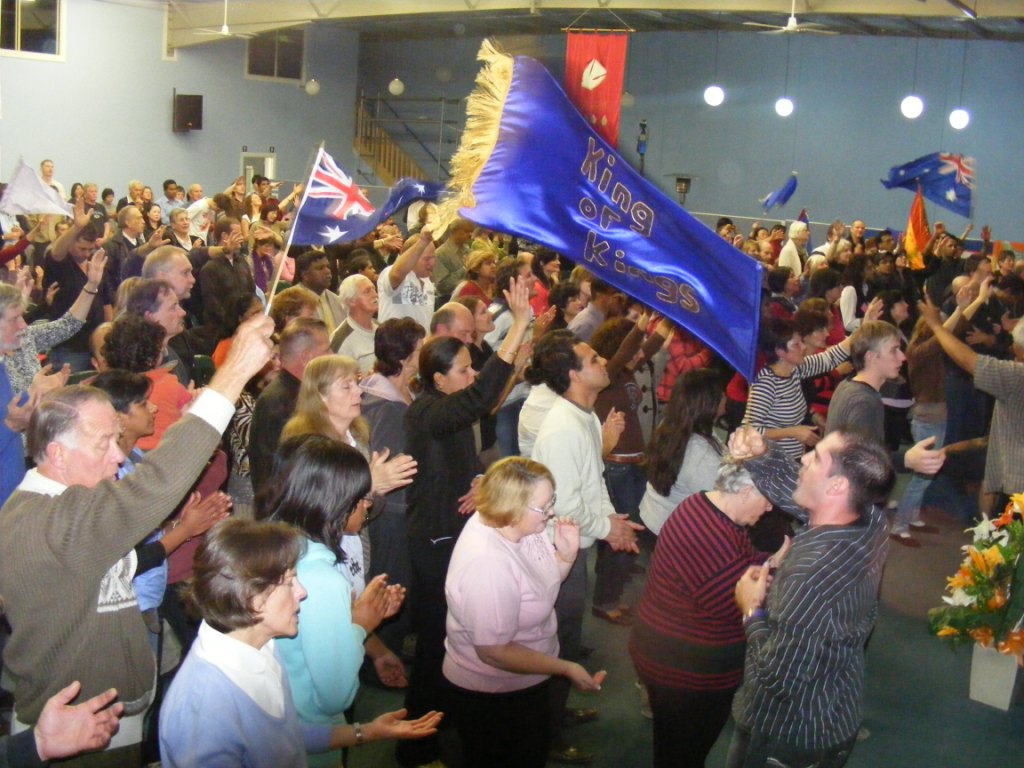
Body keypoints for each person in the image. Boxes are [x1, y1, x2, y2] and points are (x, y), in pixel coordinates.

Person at [0, 313, 277, 766]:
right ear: (57, 454)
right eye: (103, 443)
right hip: (76, 734)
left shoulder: (65, 510)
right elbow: (157, 482)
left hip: (102, 720)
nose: (118, 456)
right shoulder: (52, 521)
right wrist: (233, 374)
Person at [158, 518, 442, 768]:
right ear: (252, 598)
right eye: (290, 582)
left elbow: (284, 736)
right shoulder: (203, 709)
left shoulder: (263, 646)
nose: (302, 592)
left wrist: (368, 732)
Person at [395, 276, 531, 768]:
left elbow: (460, 454)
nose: (472, 376)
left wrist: (475, 480)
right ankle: (415, 747)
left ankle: (443, 724)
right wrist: (518, 326)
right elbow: (480, 399)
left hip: (447, 532)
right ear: (438, 380)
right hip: (434, 542)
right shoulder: (429, 413)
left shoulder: (442, 413)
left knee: (452, 637)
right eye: (465, 369)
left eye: (474, 367)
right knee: (437, 644)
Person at [725, 427, 895, 768]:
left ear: (837, 486)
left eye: (815, 458)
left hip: (787, 733)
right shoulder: (871, 521)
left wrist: (752, 610)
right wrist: (763, 454)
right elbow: (806, 491)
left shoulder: (808, 577)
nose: (802, 459)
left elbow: (778, 678)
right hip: (835, 706)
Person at [443, 457, 605, 768]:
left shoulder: (522, 526)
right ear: (512, 507)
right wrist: (565, 668)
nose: (552, 512)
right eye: (544, 507)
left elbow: (539, 589)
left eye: (552, 501)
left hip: (526, 677)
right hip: (494, 692)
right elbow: (494, 652)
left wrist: (566, 556)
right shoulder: (488, 565)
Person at [262, 435, 408, 767]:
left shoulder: (278, 546)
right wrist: (360, 626)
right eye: (362, 497)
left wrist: (360, 626)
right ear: (337, 503)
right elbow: (335, 696)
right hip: (308, 737)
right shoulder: (323, 580)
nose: (368, 505)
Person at [630, 459, 784, 768]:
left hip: (672, 655)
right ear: (745, 491)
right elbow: (737, 603)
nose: (769, 509)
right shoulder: (709, 535)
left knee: (677, 746)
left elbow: (741, 563)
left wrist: (770, 562)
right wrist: (773, 578)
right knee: (683, 752)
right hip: (684, 671)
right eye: (767, 500)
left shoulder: (704, 506)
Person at [360, 318, 426, 652]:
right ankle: (386, 655)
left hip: (396, 510)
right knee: (392, 583)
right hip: (392, 514)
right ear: (404, 357)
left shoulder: (396, 392)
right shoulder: (387, 408)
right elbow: (389, 466)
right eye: (420, 347)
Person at [639, 368, 725, 535]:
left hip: (652, 516)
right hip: (671, 532)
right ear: (709, 403)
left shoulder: (673, 424)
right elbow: (723, 500)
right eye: (721, 395)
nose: (725, 397)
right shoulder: (700, 454)